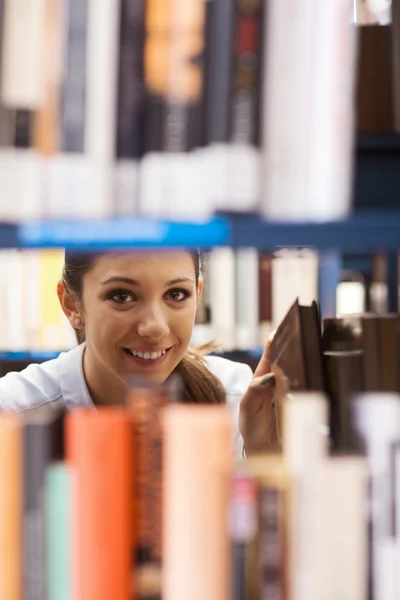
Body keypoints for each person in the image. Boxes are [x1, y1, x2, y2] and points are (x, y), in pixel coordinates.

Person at [0, 249, 279, 455]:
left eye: (176, 295)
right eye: (122, 296)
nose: (155, 327)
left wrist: (264, 453)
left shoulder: (236, 400)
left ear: (198, 294)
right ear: (72, 305)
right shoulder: (12, 413)